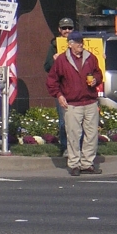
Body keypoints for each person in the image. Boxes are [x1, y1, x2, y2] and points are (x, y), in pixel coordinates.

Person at [46, 31, 102, 176]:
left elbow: (98, 73)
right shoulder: (62, 60)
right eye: (77, 42)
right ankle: (74, 164)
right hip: (72, 103)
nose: (80, 45)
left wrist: (96, 80)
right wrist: (59, 95)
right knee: (73, 135)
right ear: (70, 44)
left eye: (81, 42)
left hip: (90, 101)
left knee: (91, 135)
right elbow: (52, 80)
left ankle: (87, 164)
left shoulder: (90, 57)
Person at [43, 17, 75, 156]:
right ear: (59, 30)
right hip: (62, 89)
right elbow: (46, 67)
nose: (67, 30)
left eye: (69, 28)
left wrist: (101, 57)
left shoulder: (81, 44)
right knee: (64, 121)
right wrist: (54, 60)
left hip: (79, 90)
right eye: (64, 28)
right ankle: (65, 147)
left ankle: (79, 147)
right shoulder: (54, 46)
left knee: (80, 121)